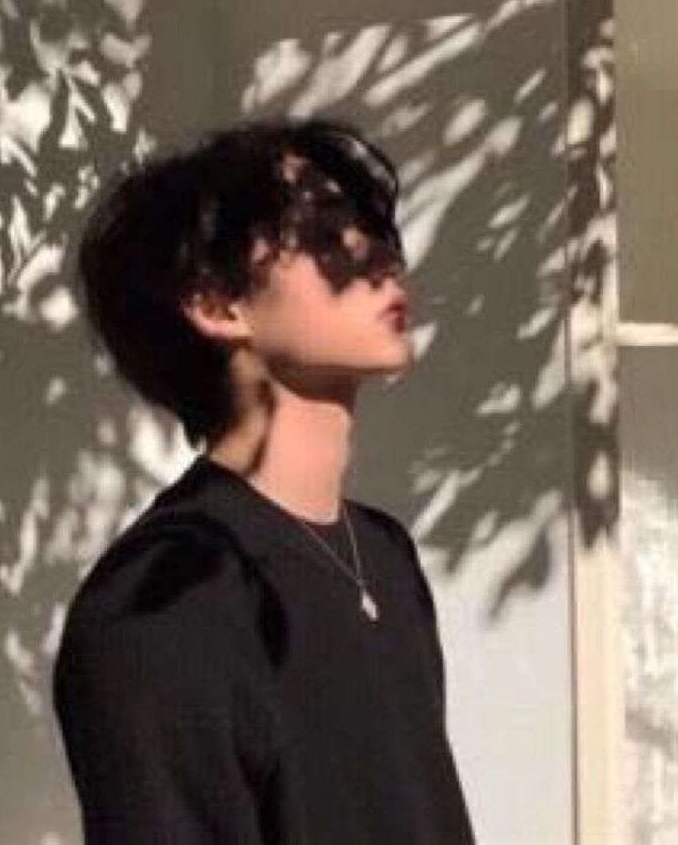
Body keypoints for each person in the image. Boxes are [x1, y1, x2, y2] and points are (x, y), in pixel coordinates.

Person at [51, 115, 477, 843]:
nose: (380, 256)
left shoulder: (385, 557)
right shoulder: (158, 602)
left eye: (377, 229)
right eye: (326, 234)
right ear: (217, 305)